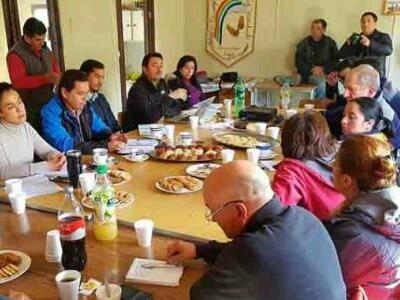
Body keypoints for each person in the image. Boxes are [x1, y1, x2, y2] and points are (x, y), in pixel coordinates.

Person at [167, 161, 346, 300]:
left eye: (213, 211)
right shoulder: (304, 217)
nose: (213, 218)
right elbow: (256, 253)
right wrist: (200, 250)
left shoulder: (253, 248)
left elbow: (201, 295)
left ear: (239, 210)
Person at [327, 135, 400, 299]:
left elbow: (321, 276)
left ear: (346, 180)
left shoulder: (351, 234)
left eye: (334, 164)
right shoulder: (389, 212)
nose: (331, 167)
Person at [272, 111, 344, 220]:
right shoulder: (341, 154)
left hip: (326, 231)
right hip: (344, 226)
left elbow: (274, 215)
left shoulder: (291, 171)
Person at [40, 70, 126, 154]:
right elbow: (67, 146)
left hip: (86, 158)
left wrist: (110, 136)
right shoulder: (49, 112)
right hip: (66, 163)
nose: (85, 99)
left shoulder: (85, 107)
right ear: (65, 93)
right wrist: (105, 147)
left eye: (86, 94)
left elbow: (100, 128)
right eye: (80, 94)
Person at [0, 82, 65, 180]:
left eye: (19, 102)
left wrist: (56, 157)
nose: (19, 109)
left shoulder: (26, 127)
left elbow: (46, 150)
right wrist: (46, 166)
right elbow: (3, 172)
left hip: (29, 185)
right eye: (11, 107)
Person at [6, 17, 61, 132]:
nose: (42, 42)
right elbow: (18, 82)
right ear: (27, 37)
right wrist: (45, 79)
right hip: (31, 108)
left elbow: (55, 68)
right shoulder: (15, 54)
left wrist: (57, 77)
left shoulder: (45, 49)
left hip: (50, 103)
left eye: (43, 38)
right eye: (38, 40)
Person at [325, 65, 399, 145]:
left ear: (370, 91)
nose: (345, 94)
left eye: (351, 89)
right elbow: (332, 115)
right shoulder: (357, 103)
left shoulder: (383, 118)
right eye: (345, 88)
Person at [125, 53, 187, 131]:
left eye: (161, 66)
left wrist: (168, 105)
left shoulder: (162, 84)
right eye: (154, 66)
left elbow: (176, 109)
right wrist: (170, 98)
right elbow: (149, 118)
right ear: (145, 69)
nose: (159, 69)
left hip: (158, 129)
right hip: (139, 134)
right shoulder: (137, 90)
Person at [339, 12, 393, 76]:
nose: (365, 24)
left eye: (368, 21)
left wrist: (370, 44)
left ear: (375, 23)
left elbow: (389, 50)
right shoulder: (356, 38)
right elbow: (341, 55)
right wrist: (347, 45)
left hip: (375, 75)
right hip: (357, 76)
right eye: (363, 22)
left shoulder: (383, 36)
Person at [295, 19, 338, 99]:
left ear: (323, 30)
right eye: (312, 28)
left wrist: (324, 69)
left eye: (318, 28)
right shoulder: (303, 43)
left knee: (335, 82)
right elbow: (298, 62)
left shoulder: (330, 43)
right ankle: (318, 107)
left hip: (327, 73)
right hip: (308, 74)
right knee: (321, 83)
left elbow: (336, 60)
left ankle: (328, 107)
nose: (314, 31)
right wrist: (312, 69)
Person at [79, 59, 120, 132]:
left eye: (102, 78)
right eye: (97, 76)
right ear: (84, 76)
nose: (101, 82)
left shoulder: (101, 98)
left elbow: (113, 124)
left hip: (112, 139)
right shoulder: (79, 101)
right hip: (99, 141)